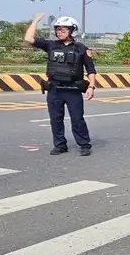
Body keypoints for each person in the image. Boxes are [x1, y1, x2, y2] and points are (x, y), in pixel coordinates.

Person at [26, 13, 96, 156]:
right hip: (54, 89)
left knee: (77, 119)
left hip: (73, 90)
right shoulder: (51, 45)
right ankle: (60, 145)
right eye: (58, 29)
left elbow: (91, 70)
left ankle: (84, 144)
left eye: (63, 29)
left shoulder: (81, 48)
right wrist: (35, 21)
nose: (59, 32)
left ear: (72, 31)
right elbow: (28, 39)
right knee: (55, 120)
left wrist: (91, 87)